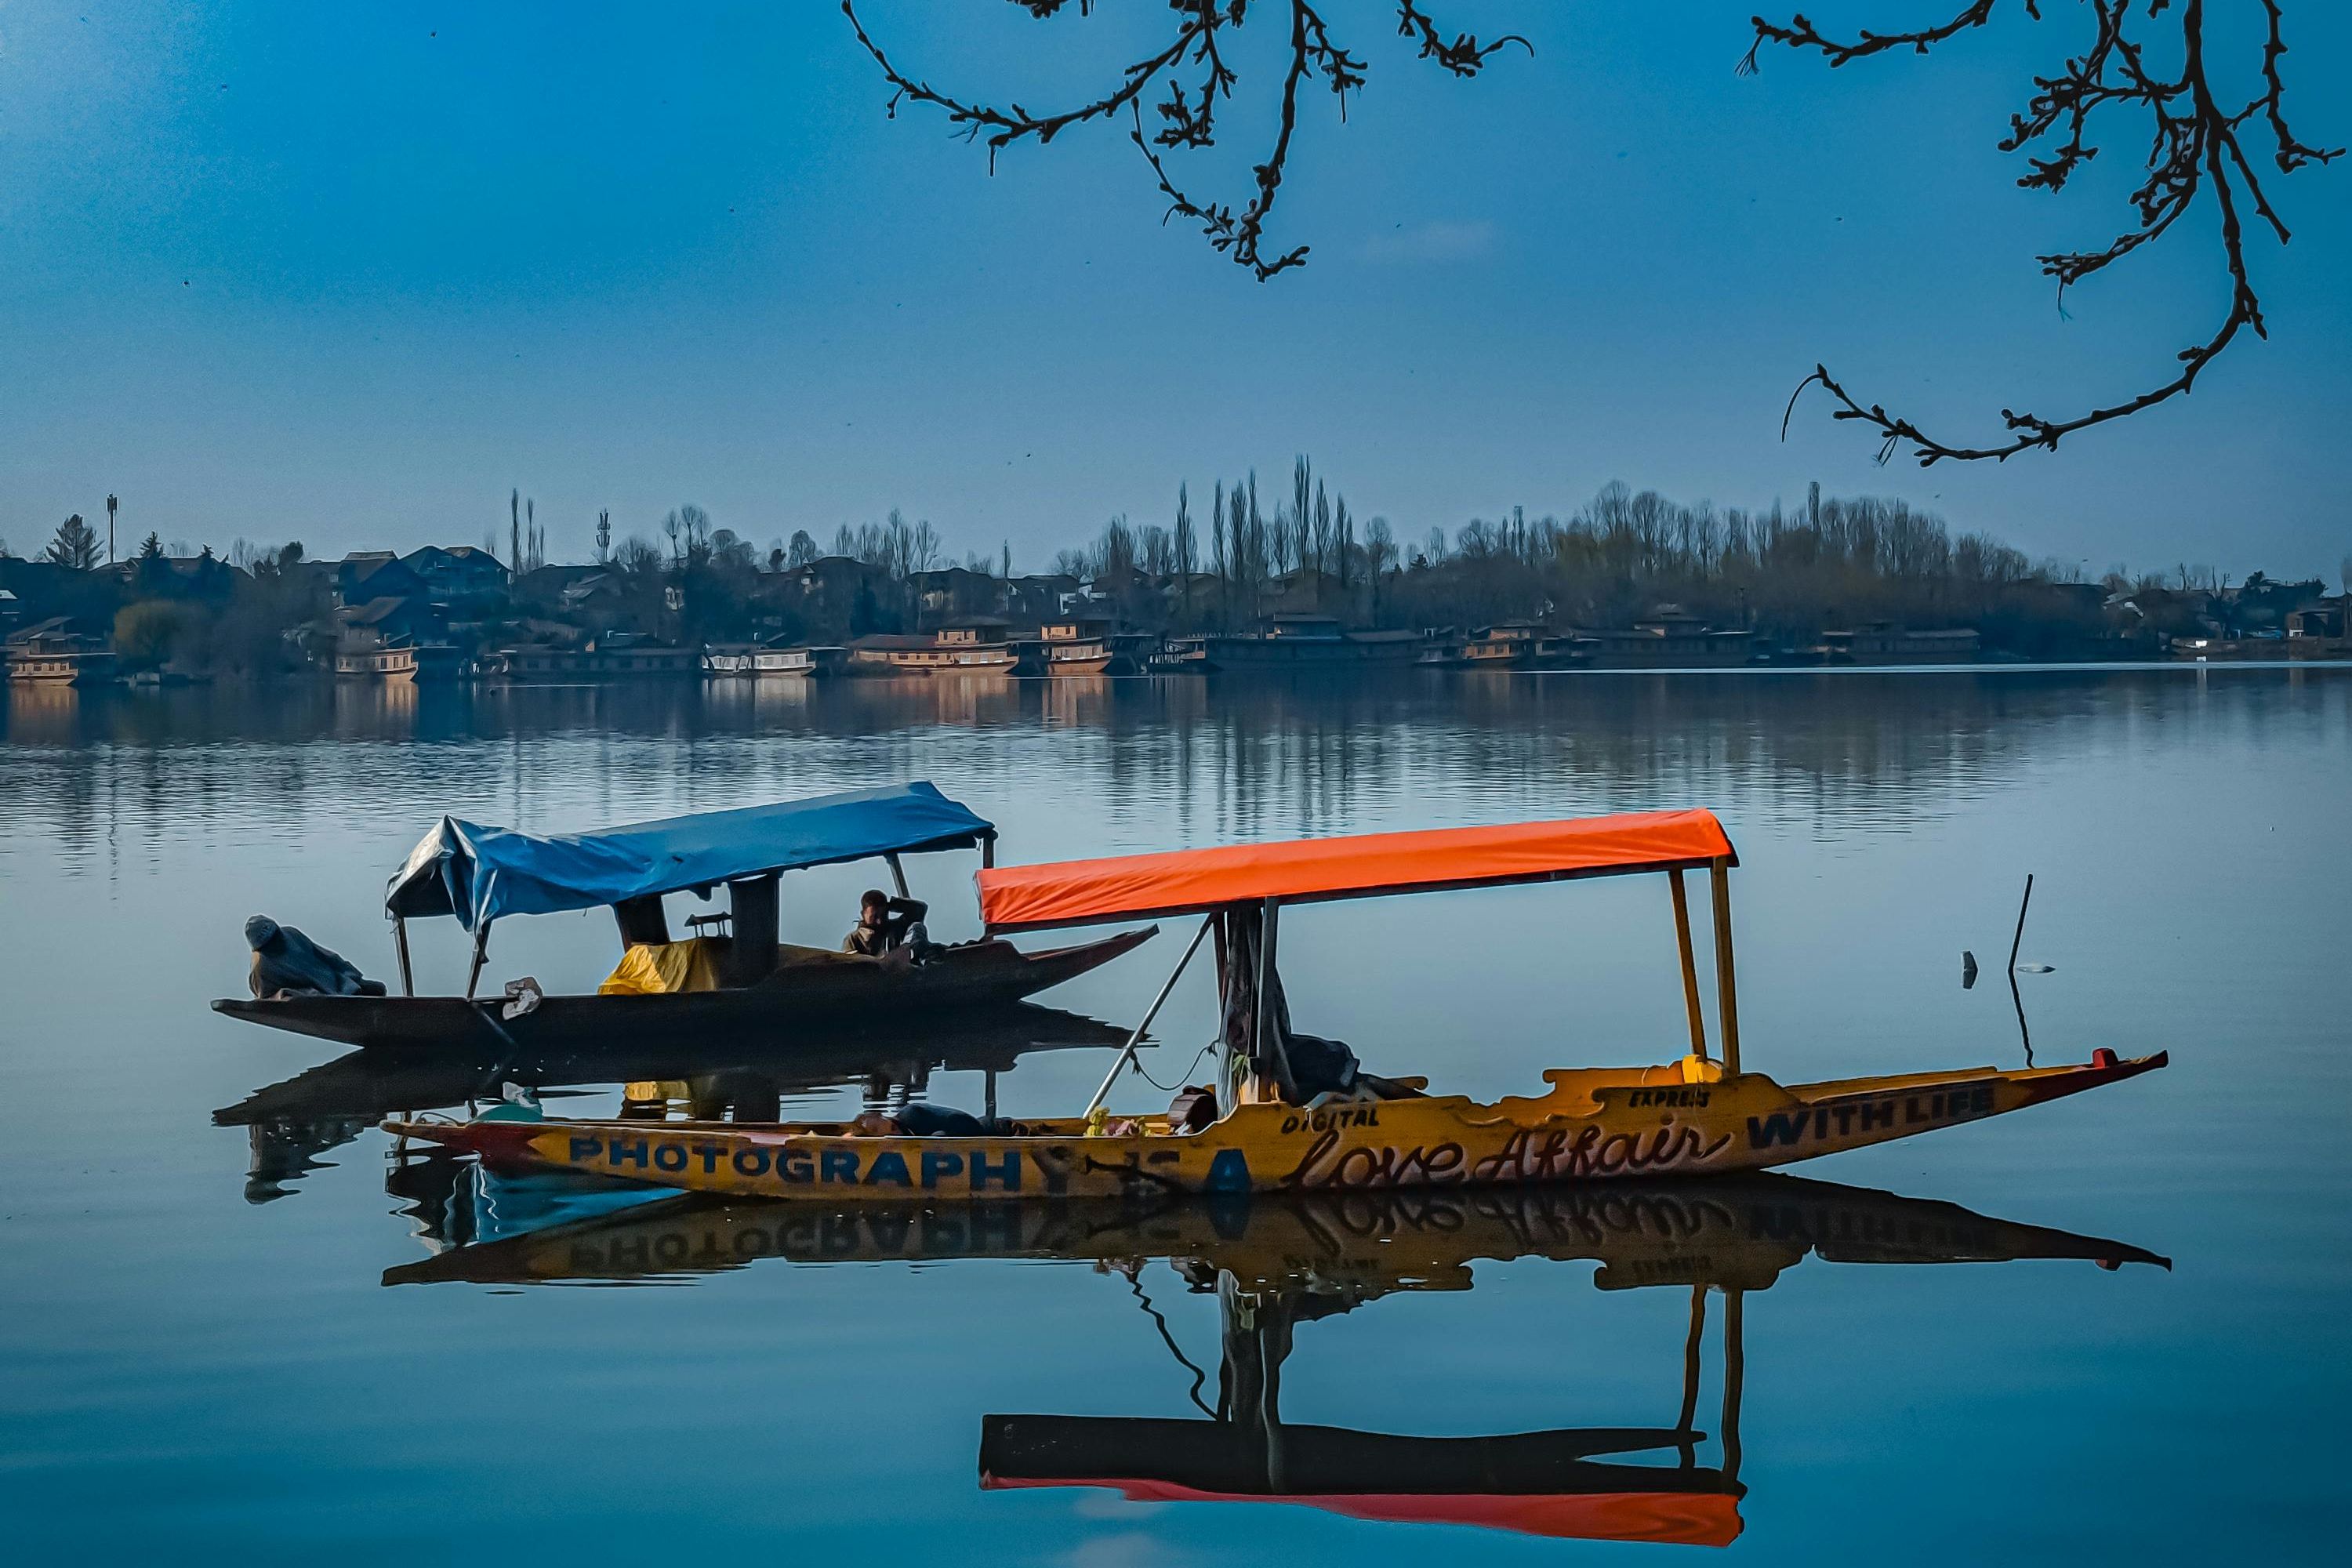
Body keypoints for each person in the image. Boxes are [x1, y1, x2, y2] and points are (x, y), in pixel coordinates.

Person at [245, 915, 387, 999]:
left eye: (276, 935)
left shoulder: (291, 935)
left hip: (339, 984)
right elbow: (263, 995)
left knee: (378, 989)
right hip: (315, 997)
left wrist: (355, 977)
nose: (276, 942)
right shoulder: (262, 967)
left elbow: (327, 956)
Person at [842, 889, 930, 957]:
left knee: (917, 927)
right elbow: (852, 967)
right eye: (874, 917)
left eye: (883, 915)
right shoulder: (853, 939)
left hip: (903, 973)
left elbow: (920, 909)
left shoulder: (896, 927)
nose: (879, 921)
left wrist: (892, 905)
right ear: (863, 914)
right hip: (875, 977)